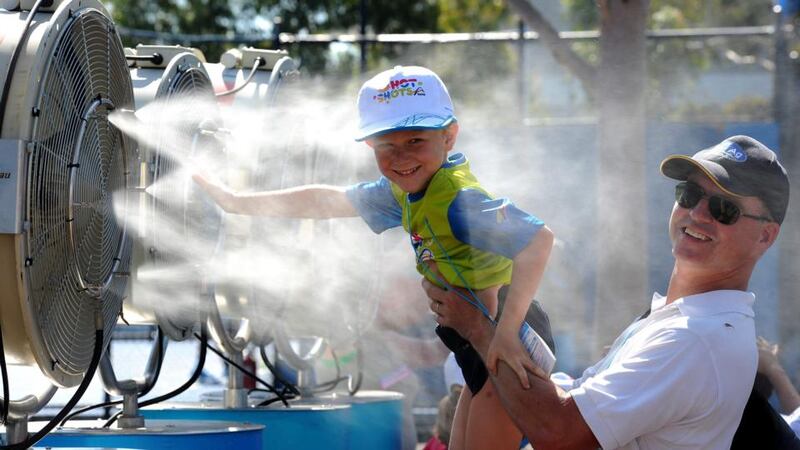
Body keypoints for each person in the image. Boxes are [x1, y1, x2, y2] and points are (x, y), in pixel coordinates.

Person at [194, 65, 555, 449]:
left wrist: (505, 335)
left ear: (449, 137)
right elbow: (326, 201)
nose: (400, 157)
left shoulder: (456, 200)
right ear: (371, 146)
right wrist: (236, 203)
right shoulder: (403, 192)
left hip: (505, 344)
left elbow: (538, 242)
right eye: (387, 146)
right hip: (477, 350)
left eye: (415, 141)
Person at [425, 135, 789, 449]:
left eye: (724, 209)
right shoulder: (682, 320)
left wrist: (479, 327)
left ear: (765, 236)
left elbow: (558, 432)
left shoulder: (696, 337)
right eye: (690, 194)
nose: (697, 213)